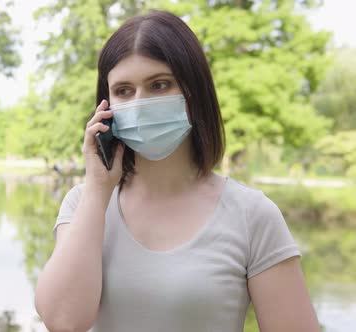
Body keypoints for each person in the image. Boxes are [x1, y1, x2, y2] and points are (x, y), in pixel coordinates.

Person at [34, 9, 319, 332]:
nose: (140, 103)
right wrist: (98, 190)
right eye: (124, 91)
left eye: (159, 85)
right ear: (106, 107)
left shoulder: (252, 215)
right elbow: (63, 322)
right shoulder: (83, 205)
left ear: (192, 93)